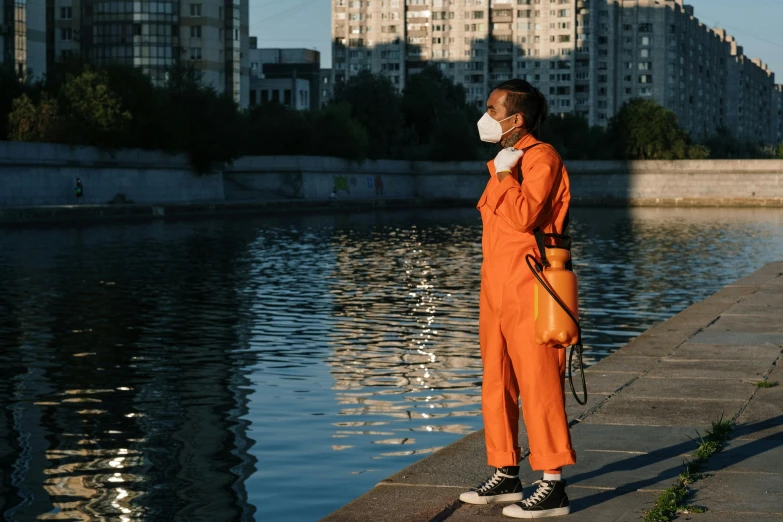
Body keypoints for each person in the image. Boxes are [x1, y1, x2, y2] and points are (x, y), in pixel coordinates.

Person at [458, 79, 575, 519]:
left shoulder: (540, 158)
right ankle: (506, 470)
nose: (485, 116)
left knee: (539, 382)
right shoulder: (507, 159)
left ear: (516, 118)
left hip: (532, 284)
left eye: (492, 109)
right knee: (497, 380)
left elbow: (526, 215)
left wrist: (505, 173)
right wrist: (503, 169)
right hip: (496, 286)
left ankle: (553, 483)